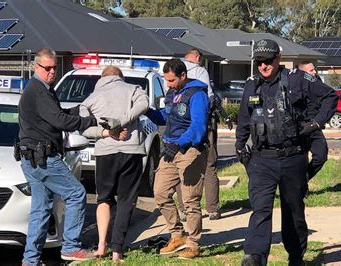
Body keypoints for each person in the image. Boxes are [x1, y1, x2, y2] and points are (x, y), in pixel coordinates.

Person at [235, 39, 337, 266]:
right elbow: (244, 118)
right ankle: (255, 257)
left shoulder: (297, 79)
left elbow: (330, 96)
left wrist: (315, 124)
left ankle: (296, 256)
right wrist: (240, 146)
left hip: (293, 158)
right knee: (260, 209)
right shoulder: (251, 84)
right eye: (259, 61)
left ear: (278, 59)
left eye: (268, 61)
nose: (263, 66)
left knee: (293, 210)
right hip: (262, 160)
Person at [18, 48, 98, 265]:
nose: (52, 71)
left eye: (54, 67)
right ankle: (71, 247)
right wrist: (88, 122)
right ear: (37, 67)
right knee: (76, 194)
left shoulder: (42, 89)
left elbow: (57, 114)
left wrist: (79, 109)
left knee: (41, 210)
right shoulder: (38, 90)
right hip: (43, 158)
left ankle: (30, 260)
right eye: (47, 68)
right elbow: (59, 121)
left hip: (33, 158)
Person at [79, 66, 149, 261]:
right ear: (121, 77)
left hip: (105, 153)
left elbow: (84, 129)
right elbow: (145, 103)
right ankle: (117, 249)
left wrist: (108, 132)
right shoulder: (133, 89)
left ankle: (101, 245)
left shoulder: (90, 99)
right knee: (127, 200)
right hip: (131, 151)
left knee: (104, 199)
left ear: (102, 79)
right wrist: (124, 120)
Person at [145, 58, 209, 259]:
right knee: (160, 193)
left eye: (171, 80)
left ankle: (193, 243)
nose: (168, 84)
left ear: (183, 76)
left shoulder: (197, 94)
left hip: (189, 150)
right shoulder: (173, 93)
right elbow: (167, 116)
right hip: (171, 150)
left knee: (190, 200)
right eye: (166, 80)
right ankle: (177, 234)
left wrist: (179, 144)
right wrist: (148, 111)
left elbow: (198, 128)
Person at [177, 48, 231, 220]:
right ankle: (213, 209)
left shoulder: (173, 70)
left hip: (180, 127)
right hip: (202, 125)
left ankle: (184, 209)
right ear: (197, 57)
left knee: (182, 167)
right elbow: (208, 98)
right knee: (209, 165)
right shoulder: (200, 71)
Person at [297, 60, 330, 179]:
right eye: (311, 70)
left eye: (314, 69)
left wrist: (321, 119)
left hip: (314, 124)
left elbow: (328, 97)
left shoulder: (317, 82)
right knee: (300, 159)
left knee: (321, 155)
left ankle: (304, 179)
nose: (315, 72)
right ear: (302, 73)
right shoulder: (295, 84)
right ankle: (300, 187)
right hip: (300, 125)